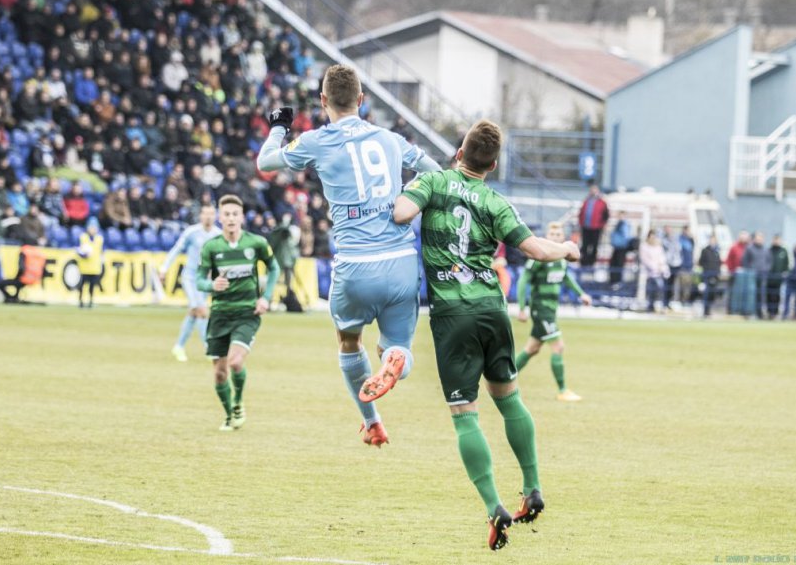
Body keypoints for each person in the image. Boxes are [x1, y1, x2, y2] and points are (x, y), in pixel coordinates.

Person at [393, 119, 580, 550]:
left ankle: (494, 506)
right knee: (509, 398)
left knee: (465, 413)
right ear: (493, 165)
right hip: (492, 310)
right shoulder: (497, 203)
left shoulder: (434, 182)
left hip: (453, 314)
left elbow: (401, 213)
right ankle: (532, 486)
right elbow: (537, 249)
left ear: (459, 153)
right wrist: (567, 249)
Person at [256, 64, 441, 447]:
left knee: (349, 342)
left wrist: (278, 127)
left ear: (323, 100)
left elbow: (265, 163)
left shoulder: (315, 141)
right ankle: (395, 361)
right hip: (400, 261)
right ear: (361, 99)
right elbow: (435, 172)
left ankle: (372, 422)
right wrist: (409, 198)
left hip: (355, 265)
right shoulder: (391, 139)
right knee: (397, 348)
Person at [196, 195, 279, 431]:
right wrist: (211, 285)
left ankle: (238, 403)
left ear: (242, 217)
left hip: (247, 312)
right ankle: (228, 415)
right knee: (219, 374)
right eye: (227, 214)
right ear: (220, 218)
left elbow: (274, 268)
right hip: (220, 314)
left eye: (235, 214)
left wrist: (266, 297)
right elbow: (199, 280)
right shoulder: (211, 247)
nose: (231, 218)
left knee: (235, 362)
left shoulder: (256, 243)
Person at [515, 222, 591, 401]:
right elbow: (523, 280)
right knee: (558, 346)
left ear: (563, 237)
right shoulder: (539, 257)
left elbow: (566, 278)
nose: (555, 238)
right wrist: (522, 308)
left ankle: (501, 378)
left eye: (558, 235)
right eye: (552, 235)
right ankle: (563, 390)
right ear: (547, 237)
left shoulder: (562, 258)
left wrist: (581, 294)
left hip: (550, 309)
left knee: (532, 349)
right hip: (541, 309)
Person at [159, 204, 221, 362]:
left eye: (211, 214)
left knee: (194, 313)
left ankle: (179, 346)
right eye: (205, 214)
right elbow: (176, 249)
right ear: (200, 216)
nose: (208, 217)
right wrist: (164, 268)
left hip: (206, 280)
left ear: (215, 216)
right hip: (190, 278)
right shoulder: (192, 232)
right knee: (201, 310)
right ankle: (209, 348)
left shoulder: (218, 235)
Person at [577, 181, 608, 267]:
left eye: (595, 190)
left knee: (594, 246)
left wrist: (602, 225)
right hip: (586, 227)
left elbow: (606, 215)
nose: (593, 191)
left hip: (596, 228)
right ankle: (583, 263)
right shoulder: (586, 201)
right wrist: (580, 222)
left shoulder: (602, 202)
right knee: (584, 245)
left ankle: (591, 263)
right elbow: (581, 212)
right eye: (592, 190)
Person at [741, 232, 770, 318]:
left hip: (762, 275)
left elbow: (769, 261)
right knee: (750, 294)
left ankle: (759, 313)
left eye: (761, 238)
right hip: (751, 275)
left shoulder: (766, 249)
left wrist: (766, 269)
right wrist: (749, 270)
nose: (759, 240)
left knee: (760, 295)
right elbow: (745, 261)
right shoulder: (749, 248)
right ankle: (748, 312)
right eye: (757, 238)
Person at [77, 217, 104, 308]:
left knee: (92, 286)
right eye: (91, 227)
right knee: (82, 285)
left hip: (95, 266)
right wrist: (83, 254)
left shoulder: (100, 238)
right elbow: (78, 250)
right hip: (84, 266)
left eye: (94, 228)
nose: (92, 230)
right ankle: (80, 301)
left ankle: (91, 301)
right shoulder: (83, 237)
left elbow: (101, 251)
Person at [639, 230, 669, 312]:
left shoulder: (658, 246)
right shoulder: (644, 246)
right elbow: (645, 259)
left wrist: (663, 268)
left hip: (660, 272)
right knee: (652, 290)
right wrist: (653, 267)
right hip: (650, 272)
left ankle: (663, 306)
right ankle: (651, 306)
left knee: (661, 289)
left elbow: (662, 258)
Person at [698, 234, 722, 317]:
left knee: (713, 294)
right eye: (711, 240)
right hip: (707, 275)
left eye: (714, 240)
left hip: (715, 276)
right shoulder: (705, 250)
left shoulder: (717, 251)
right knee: (706, 294)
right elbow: (701, 262)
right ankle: (705, 311)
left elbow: (719, 263)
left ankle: (709, 310)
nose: (713, 242)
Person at [766, 235, 789, 319]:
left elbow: (786, 264)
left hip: (779, 279)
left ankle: (775, 313)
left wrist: (785, 272)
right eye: (775, 239)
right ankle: (769, 312)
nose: (776, 241)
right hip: (769, 278)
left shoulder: (783, 251)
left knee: (777, 296)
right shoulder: (769, 250)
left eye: (778, 240)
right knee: (768, 295)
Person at [608, 218, 631, 285]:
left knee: (618, 265)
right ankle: (614, 281)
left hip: (621, 248)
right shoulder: (621, 225)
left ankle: (616, 281)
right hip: (618, 248)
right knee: (615, 265)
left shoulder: (624, 225)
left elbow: (626, 236)